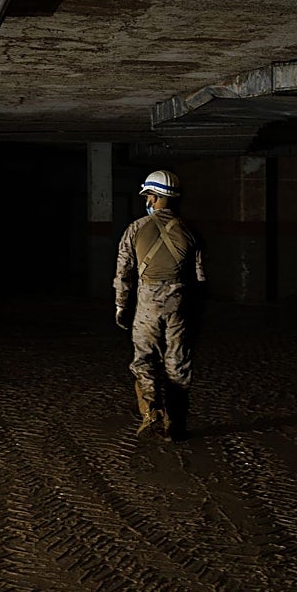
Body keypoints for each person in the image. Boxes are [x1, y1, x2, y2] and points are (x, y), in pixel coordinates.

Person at [113, 169, 205, 440]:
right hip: (180, 304)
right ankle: (175, 424)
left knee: (144, 359)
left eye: (148, 197)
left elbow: (123, 273)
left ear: (153, 197)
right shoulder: (190, 231)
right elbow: (201, 277)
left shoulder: (135, 229)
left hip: (147, 306)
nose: (147, 201)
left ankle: (151, 412)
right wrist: (195, 312)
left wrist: (121, 306)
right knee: (178, 363)